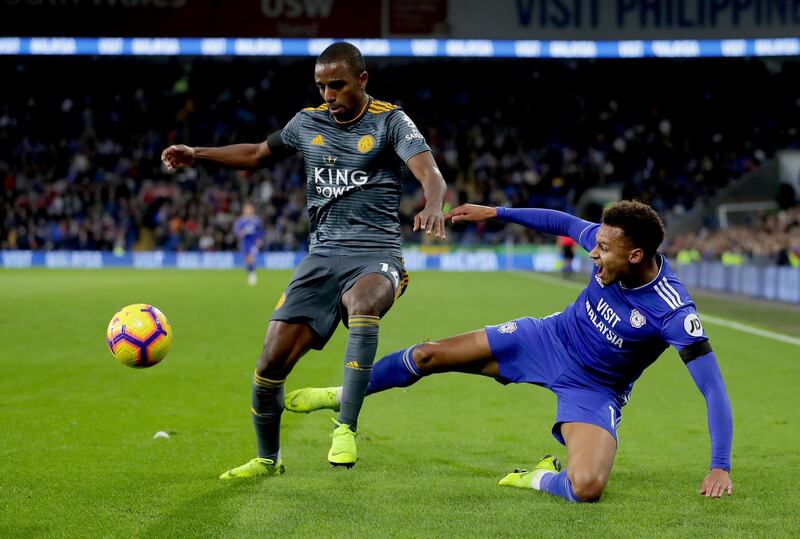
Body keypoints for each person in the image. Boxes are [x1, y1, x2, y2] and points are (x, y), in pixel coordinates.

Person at [285, 200, 733, 502]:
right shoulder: (611, 242)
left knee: (588, 487)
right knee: (428, 355)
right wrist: (493, 212)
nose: (593, 253)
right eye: (595, 244)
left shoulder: (672, 311)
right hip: (546, 339)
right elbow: (559, 222)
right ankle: (346, 393)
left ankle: (536, 475)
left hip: (595, 388)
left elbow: (712, 389)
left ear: (636, 256)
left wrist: (719, 466)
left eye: (603, 249)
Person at [161, 42, 447, 478]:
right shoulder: (306, 123)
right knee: (269, 363)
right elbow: (258, 154)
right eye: (322, 86)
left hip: (377, 253)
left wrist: (432, 203)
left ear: (362, 81)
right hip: (322, 256)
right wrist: (197, 154)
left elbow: (430, 172)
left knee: (364, 305)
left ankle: (345, 427)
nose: (329, 95)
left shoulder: (391, 120)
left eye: (338, 85)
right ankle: (265, 459)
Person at [233, 202, 264, 286]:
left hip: (253, 241)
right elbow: (236, 230)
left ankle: (252, 274)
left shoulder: (256, 220)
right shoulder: (241, 220)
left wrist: (259, 239)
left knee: (251, 257)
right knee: (246, 259)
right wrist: (241, 233)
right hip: (245, 242)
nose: (248, 210)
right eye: (246, 209)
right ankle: (250, 272)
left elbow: (260, 231)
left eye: (249, 209)